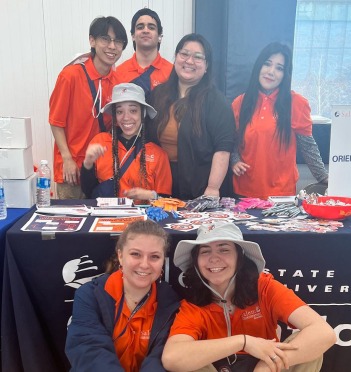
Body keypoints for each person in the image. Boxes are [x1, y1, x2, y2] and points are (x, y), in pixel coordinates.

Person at [162, 222, 336, 372]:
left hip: (265, 364)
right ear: (196, 262)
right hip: (217, 366)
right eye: (205, 252)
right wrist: (243, 342)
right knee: (189, 363)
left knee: (309, 349)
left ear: (240, 257)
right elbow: (172, 358)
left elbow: (324, 333)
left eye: (224, 250)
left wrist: (266, 367)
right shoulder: (193, 304)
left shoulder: (265, 287)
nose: (214, 258)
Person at [66, 219, 180, 371]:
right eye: (136, 254)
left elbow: (161, 357)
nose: (145, 264)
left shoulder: (170, 302)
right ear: (120, 255)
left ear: (163, 261)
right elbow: (88, 351)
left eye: (154, 257)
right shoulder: (89, 295)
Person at [231, 42, 328, 200]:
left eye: (279, 68)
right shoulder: (240, 103)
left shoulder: (296, 103)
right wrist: (234, 161)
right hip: (244, 191)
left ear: (285, 74)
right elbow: (232, 141)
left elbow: (308, 147)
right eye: (267, 64)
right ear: (258, 66)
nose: (271, 72)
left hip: (281, 194)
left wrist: (325, 178)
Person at [147, 33, 235, 200]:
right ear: (176, 58)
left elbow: (223, 150)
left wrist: (212, 188)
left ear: (207, 65)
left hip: (200, 188)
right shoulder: (158, 95)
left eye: (198, 57)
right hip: (161, 185)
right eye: (184, 54)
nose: (189, 61)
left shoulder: (217, 102)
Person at [49, 16, 128, 199]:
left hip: (102, 168)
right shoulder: (70, 76)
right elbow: (55, 121)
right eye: (105, 39)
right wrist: (67, 158)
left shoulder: (118, 82)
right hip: (73, 168)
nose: (112, 46)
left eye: (118, 41)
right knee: (72, 222)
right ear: (92, 40)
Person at [80, 83, 172, 200]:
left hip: (141, 216)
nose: (126, 117)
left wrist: (151, 196)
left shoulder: (158, 154)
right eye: (119, 112)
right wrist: (87, 163)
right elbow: (88, 191)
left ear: (143, 114)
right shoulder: (100, 142)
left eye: (133, 111)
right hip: (106, 214)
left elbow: (166, 200)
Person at [116, 8, 173, 95]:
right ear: (133, 36)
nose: (145, 31)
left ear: (159, 37)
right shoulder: (118, 73)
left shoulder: (172, 72)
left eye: (151, 27)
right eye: (140, 27)